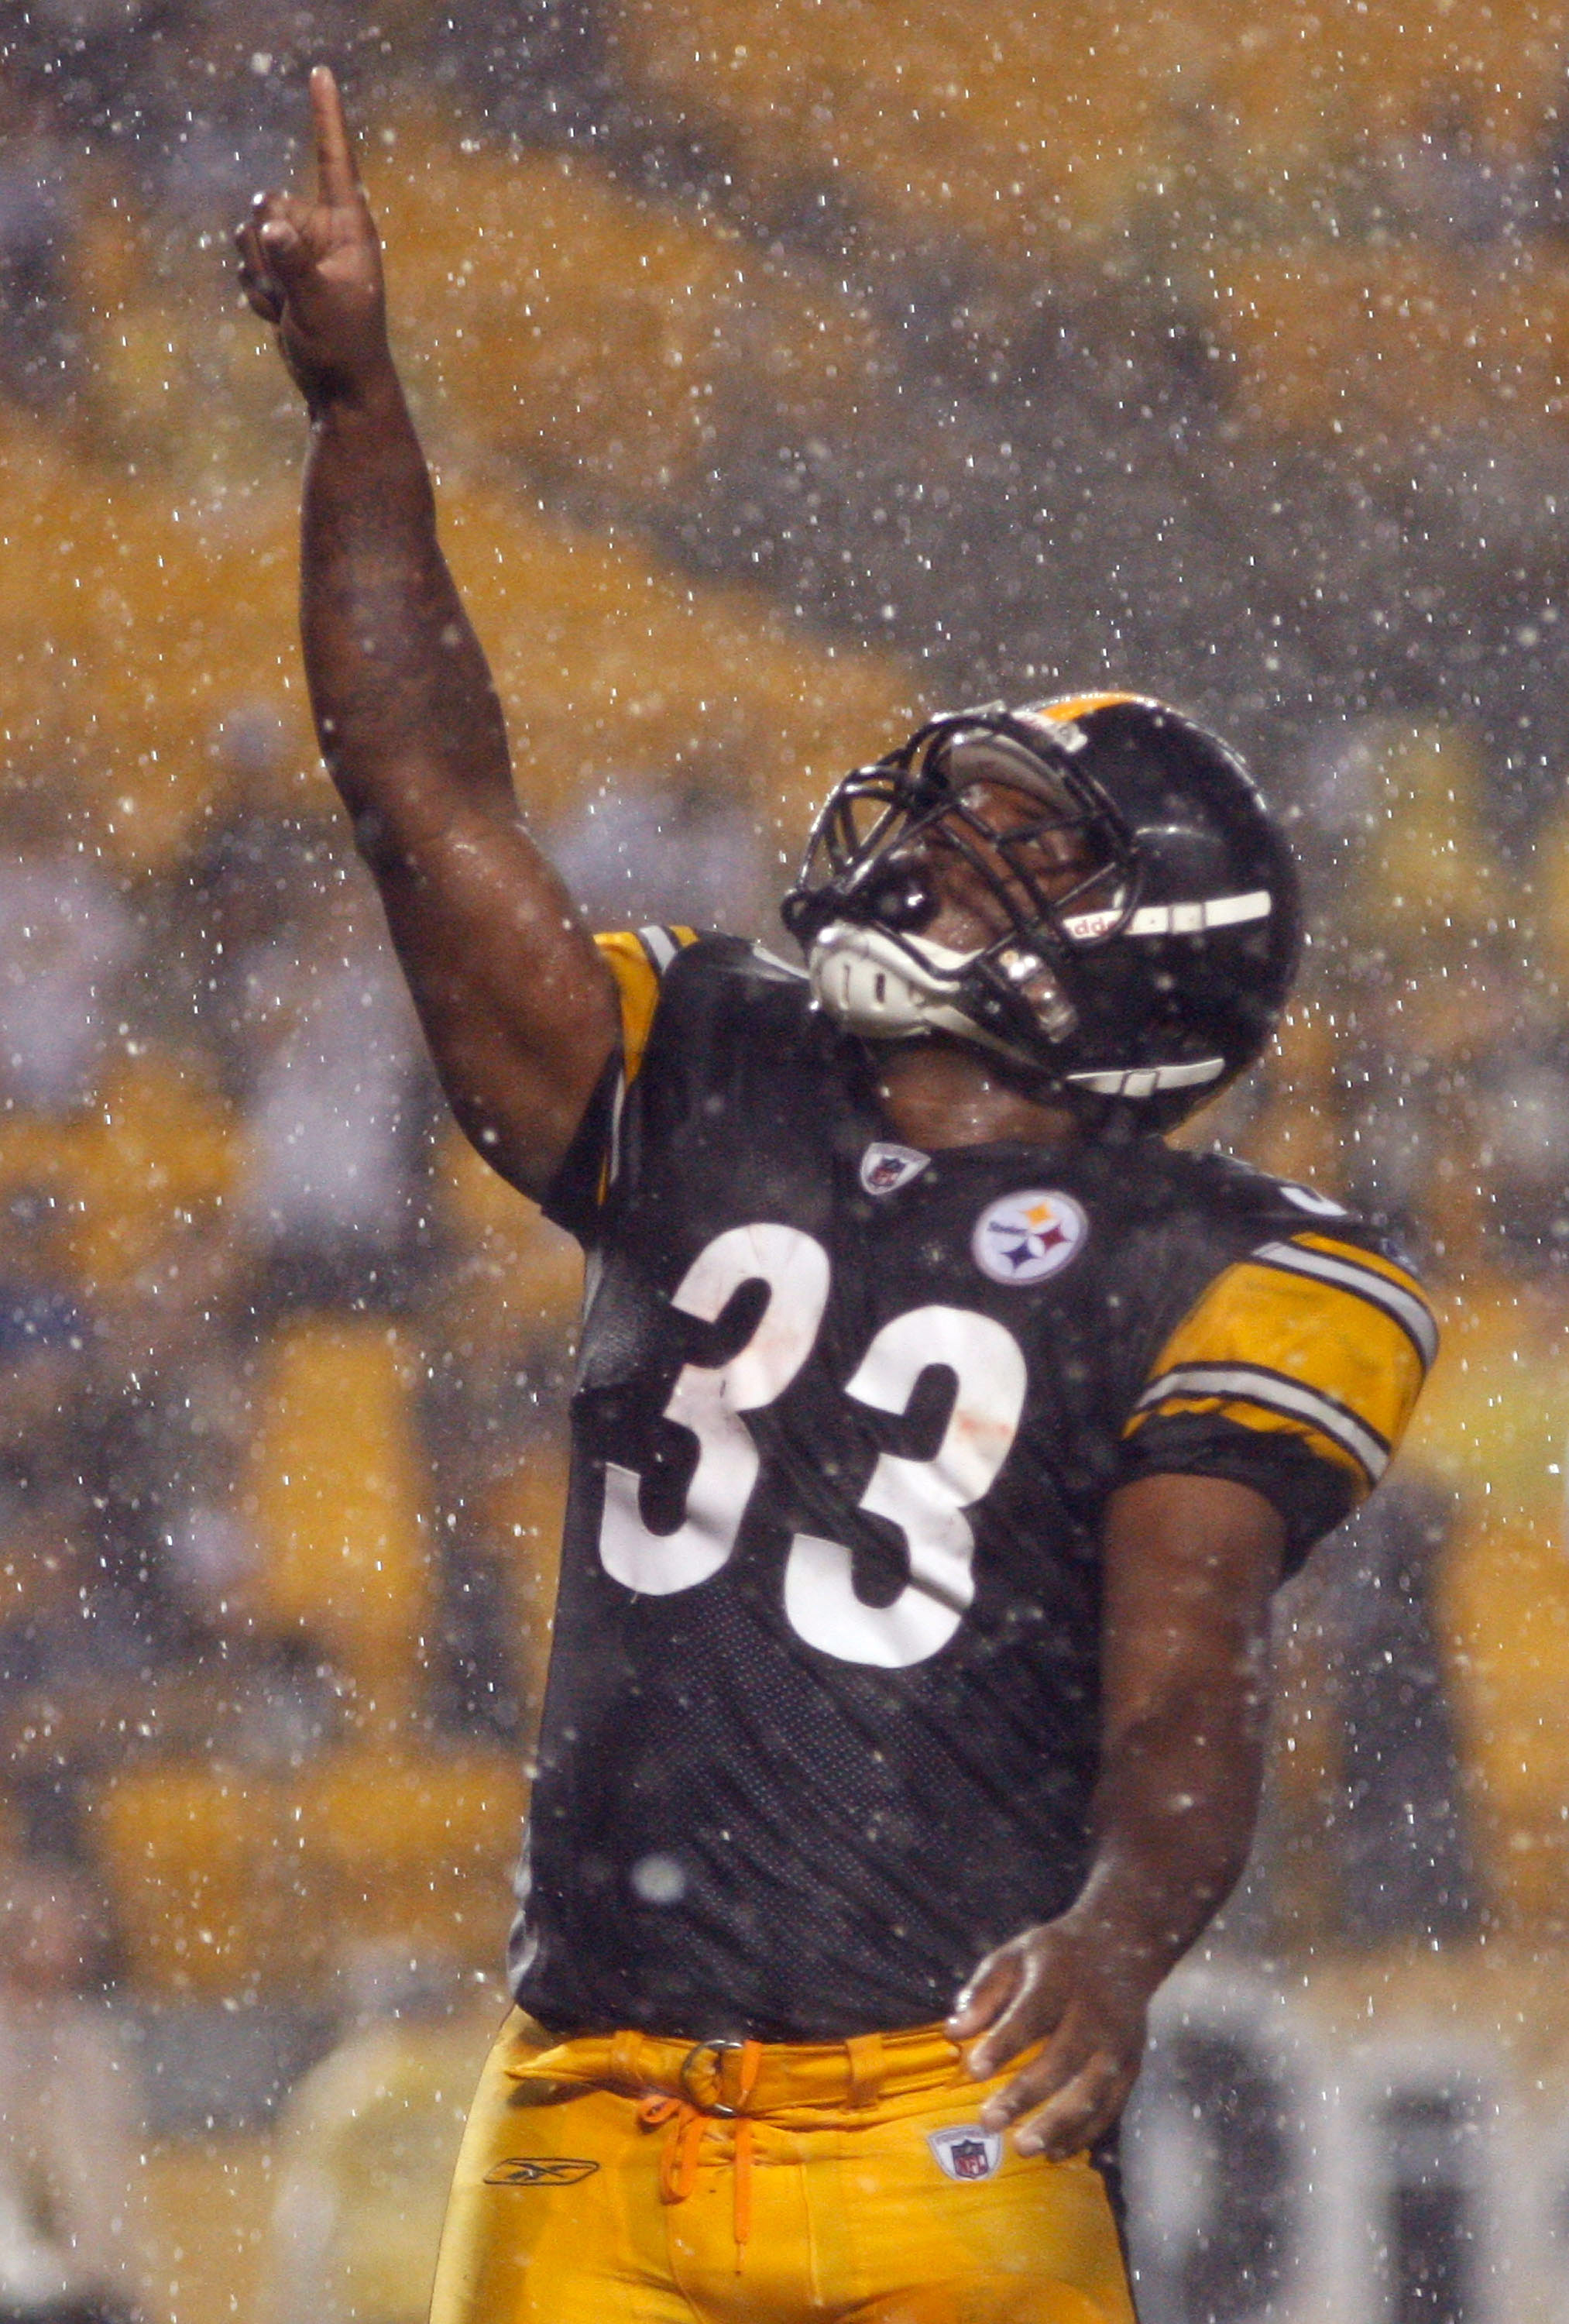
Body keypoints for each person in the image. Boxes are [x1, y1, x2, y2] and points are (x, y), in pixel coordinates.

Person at [234, 71, 1436, 2324]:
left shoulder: (1238, 1272)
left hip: (935, 2109)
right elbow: (417, 788)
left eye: (1031, 848)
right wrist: (357, 405)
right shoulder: (712, 1061)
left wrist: (1115, 1934)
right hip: (585, 2101)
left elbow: (1186, 1690)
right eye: (961, 811)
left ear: (1143, 960)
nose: (945, 849)